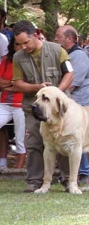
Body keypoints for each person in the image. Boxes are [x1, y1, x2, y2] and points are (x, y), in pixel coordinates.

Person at [11, 20, 74, 192]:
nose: (23, 46)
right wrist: (37, 88)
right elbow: (17, 83)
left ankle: (68, 180)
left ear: (36, 35)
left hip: (58, 109)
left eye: (26, 42)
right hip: (33, 108)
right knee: (33, 143)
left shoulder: (57, 50)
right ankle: (34, 181)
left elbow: (69, 73)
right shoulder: (17, 57)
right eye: (19, 43)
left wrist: (56, 93)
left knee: (63, 141)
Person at [54, 25, 89, 182]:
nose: (55, 39)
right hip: (70, 103)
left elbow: (72, 82)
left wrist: (54, 97)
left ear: (69, 39)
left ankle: (84, 173)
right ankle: (68, 174)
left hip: (82, 103)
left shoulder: (79, 56)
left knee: (80, 137)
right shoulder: (64, 54)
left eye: (59, 36)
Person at [0, 37, 25, 170]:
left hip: (21, 104)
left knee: (20, 137)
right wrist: (13, 83)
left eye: (23, 44)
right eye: (17, 44)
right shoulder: (6, 61)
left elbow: (25, 86)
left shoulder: (29, 61)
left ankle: (19, 169)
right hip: (4, 102)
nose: (20, 47)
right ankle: (2, 164)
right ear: (13, 46)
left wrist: (7, 84)